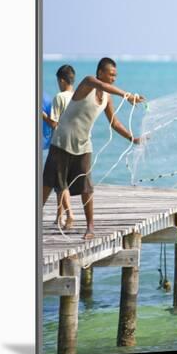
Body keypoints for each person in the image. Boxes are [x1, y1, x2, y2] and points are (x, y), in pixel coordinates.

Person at [43, 57, 145, 239]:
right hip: (62, 142)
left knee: (87, 188)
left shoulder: (107, 98)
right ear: (100, 73)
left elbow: (114, 122)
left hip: (83, 145)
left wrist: (133, 138)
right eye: (111, 74)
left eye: (116, 75)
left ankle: (90, 227)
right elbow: (104, 86)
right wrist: (127, 95)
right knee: (48, 184)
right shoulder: (88, 82)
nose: (114, 78)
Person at [42, 64, 76, 229]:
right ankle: (59, 216)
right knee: (60, 182)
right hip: (74, 145)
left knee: (55, 182)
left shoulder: (60, 97)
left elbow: (54, 123)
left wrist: (42, 115)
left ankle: (69, 214)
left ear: (62, 80)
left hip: (58, 145)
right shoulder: (78, 96)